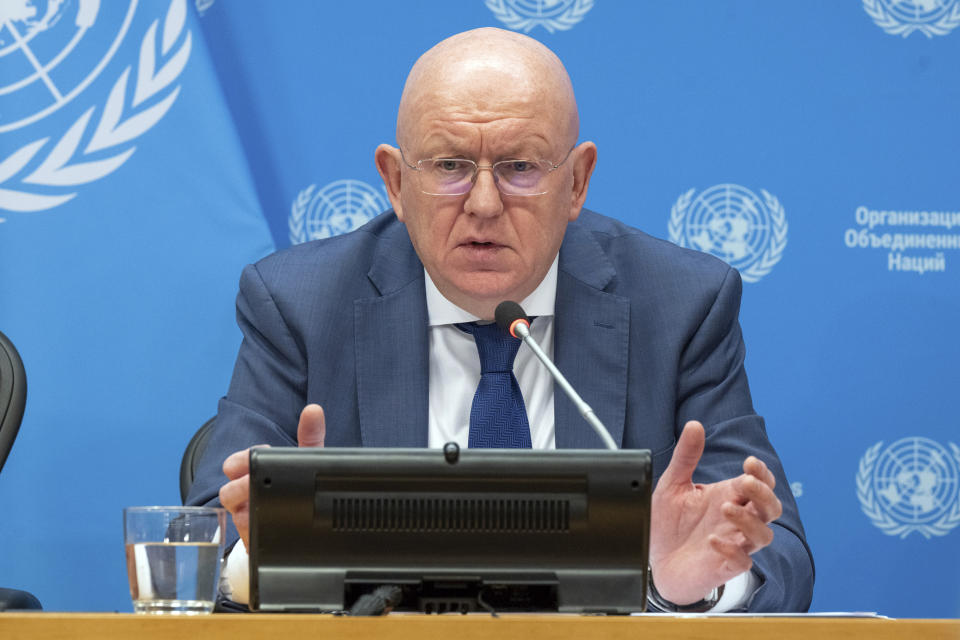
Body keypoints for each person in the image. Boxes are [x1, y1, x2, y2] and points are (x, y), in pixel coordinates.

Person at [187, 27, 814, 612]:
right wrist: (272, 554)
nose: (484, 204)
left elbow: (776, 547)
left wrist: (684, 583)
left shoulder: (680, 304)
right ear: (395, 182)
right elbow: (211, 532)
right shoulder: (298, 301)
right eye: (450, 166)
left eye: (520, 168)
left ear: (576, 182)